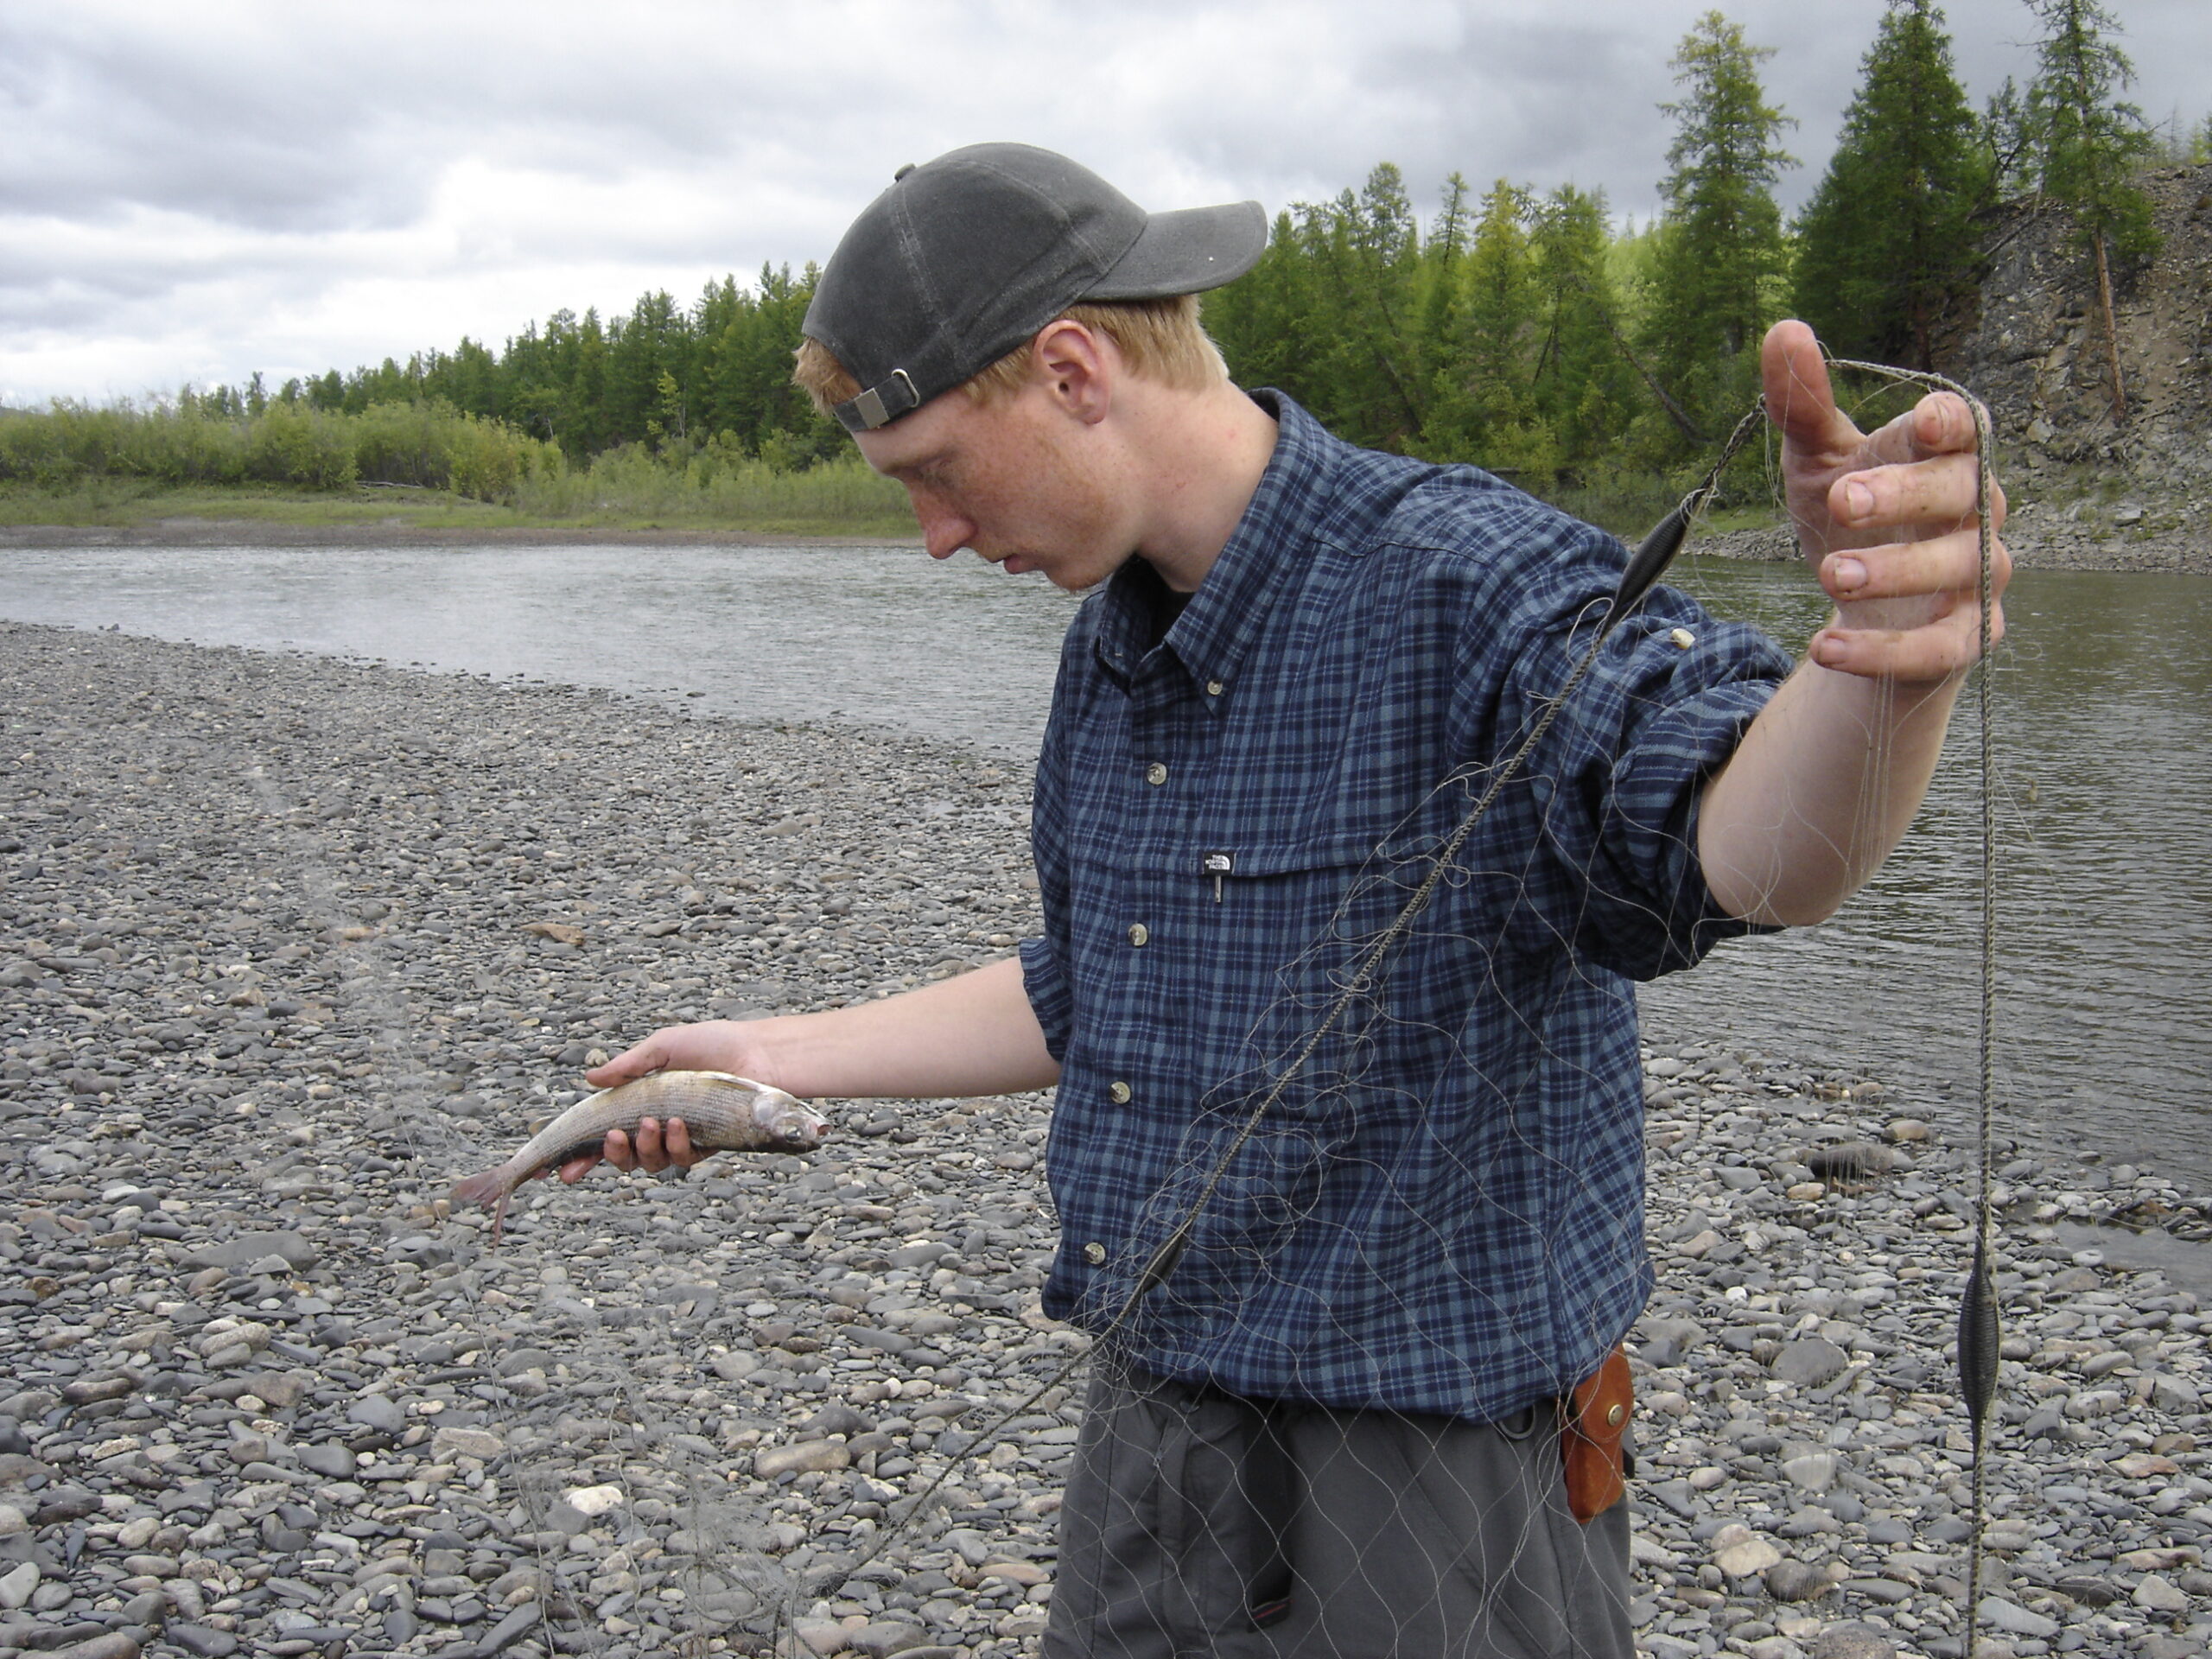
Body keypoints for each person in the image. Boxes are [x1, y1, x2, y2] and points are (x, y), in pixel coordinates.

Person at [552, 144, 2009, 1657]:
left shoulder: (1466, 579)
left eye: (935, 471)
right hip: (1159, 1433)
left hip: (1437, 1469)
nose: (935, 534)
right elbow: (1094, 991)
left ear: (1072, 372)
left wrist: (1886, 659)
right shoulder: (1110, 641)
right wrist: (767, 1058)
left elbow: (1751, 853)